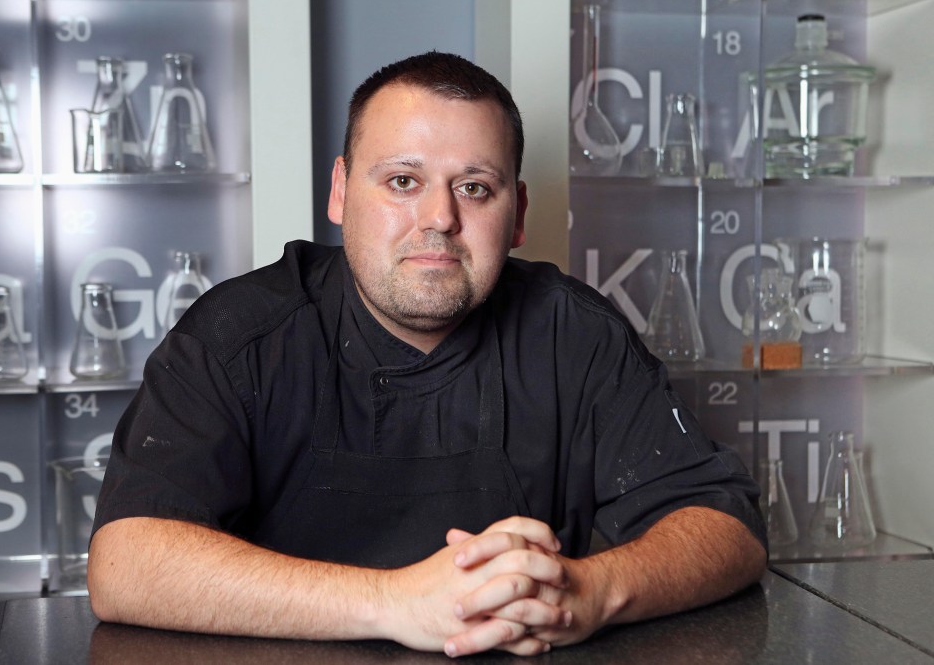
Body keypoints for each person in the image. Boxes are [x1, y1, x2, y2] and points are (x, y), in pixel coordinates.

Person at [87, 51, 767, 658]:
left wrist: (591, 591)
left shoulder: (575, 334)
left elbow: (726, 529)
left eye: (475, 187)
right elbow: (125, 565)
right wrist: (396, 603)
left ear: (518, 212)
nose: (440, 218)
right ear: (341, 192)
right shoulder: (241, 335)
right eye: (403, 181)